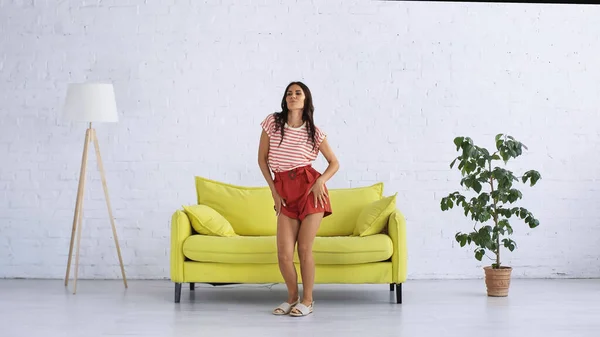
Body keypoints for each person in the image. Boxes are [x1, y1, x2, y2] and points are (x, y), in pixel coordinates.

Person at [258, 81, 339, 317]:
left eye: (298, 93)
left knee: (304, 248)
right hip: (284, 190)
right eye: (289, 93)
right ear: (285, 99)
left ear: (306, 99)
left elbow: (334, 163)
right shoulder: (273, 123)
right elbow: (262, 160)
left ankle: (308, 300)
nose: (293, 96)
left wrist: (320, 181)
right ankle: (292, 297)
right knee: (283, 253)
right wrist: (274, 190)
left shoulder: (315, 131)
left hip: (310, 190)